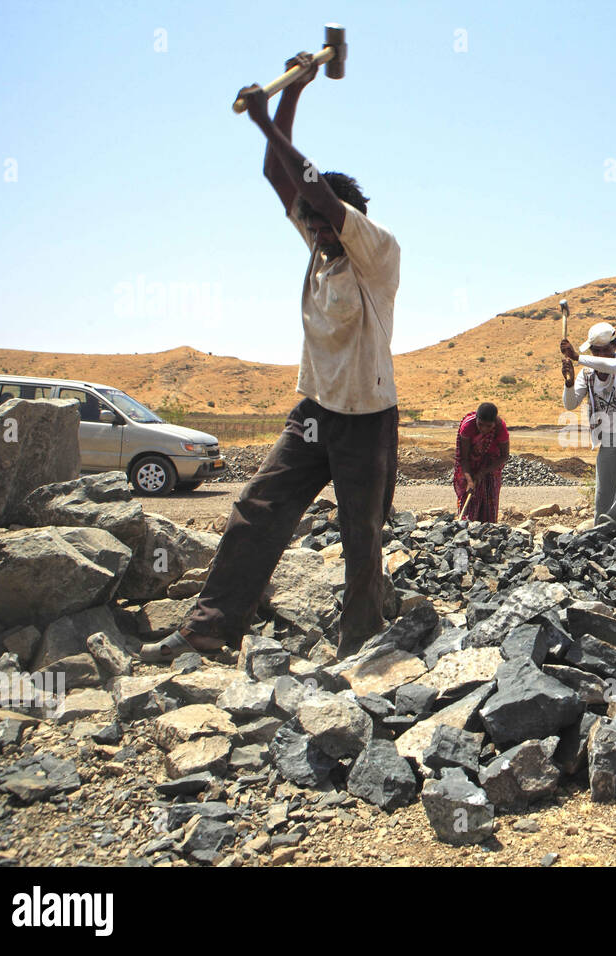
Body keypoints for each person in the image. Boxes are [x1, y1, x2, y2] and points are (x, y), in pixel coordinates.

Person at [141, 53, 401, 662]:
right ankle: (210, 627)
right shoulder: (319, 244)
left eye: (322, 223)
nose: (313, 232)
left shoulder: (375, 247)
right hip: (315, 411)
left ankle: (360, 646)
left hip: (367, 415)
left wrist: (265, 120)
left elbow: (310, 185)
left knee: (360, 536)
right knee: (258, 508)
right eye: (309, 225)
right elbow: (276, 174)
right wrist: (292, 95)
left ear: (347, 217)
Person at [559, 321, 616, 530]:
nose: (600, 356)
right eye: (596, 351)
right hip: (609, 434)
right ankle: (601, 532)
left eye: (605, 350)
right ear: (592, 350)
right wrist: (569, 383)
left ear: (615, 346)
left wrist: (578, 358)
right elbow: (570, 404)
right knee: (603, 489)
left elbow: (612, 366)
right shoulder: (587, 374)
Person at [453, 402, 510, 522]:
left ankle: (488, 529)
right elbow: (464, 458)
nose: (484, 429)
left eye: (488, 426)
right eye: (480, 424)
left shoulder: (500, 428)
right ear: (476, 420)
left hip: (491, 465)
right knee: (469, 504)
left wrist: (483, 472)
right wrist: (469, 480)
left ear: (494, 423)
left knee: (489, 500)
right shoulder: (468, 426)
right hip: (470, 465)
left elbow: (504, 456)